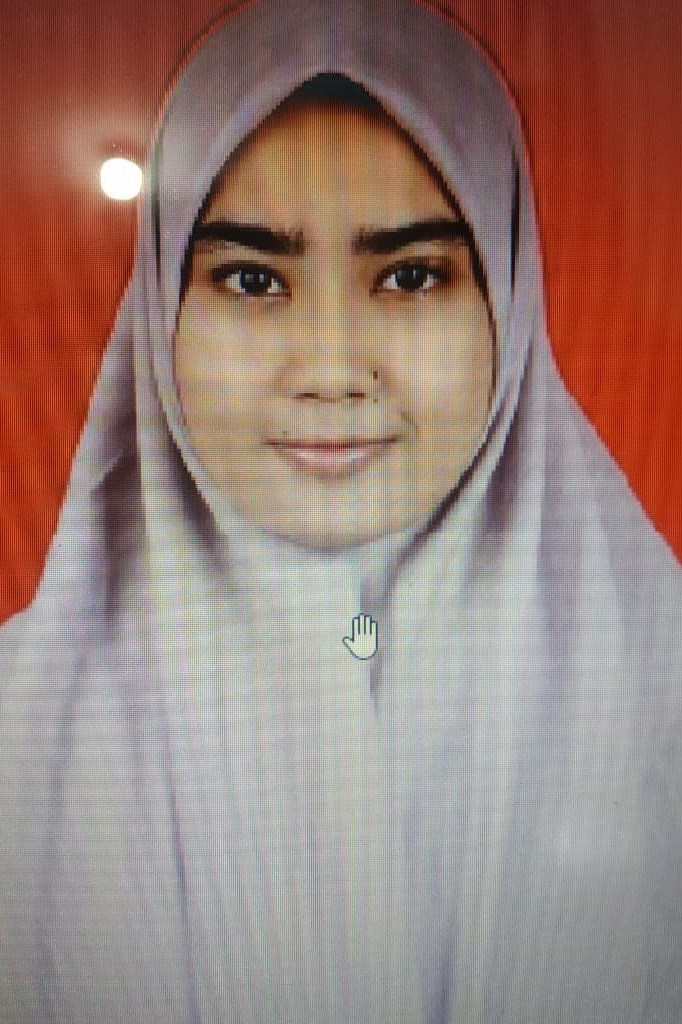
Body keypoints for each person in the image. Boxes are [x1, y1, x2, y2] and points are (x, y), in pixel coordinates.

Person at [1, 0, 681, 1021]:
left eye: (410, 276)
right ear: (161, 311)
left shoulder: (662, 689)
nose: (328, 368)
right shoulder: (17, 729)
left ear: (508, 297)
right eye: (250, 278)